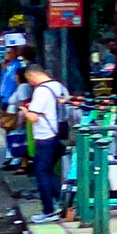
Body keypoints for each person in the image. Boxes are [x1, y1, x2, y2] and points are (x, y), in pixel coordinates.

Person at [18, 63, 70, 218]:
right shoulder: (59, 87)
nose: (30, 84)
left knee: (41, 172)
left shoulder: (41, 91)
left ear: (33, 76)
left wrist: (25, 110)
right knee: (47, 171)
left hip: (45, 136)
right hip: (58, 133)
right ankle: (64, 201)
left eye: (29, 80)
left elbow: (33, 117)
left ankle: (49, 210)